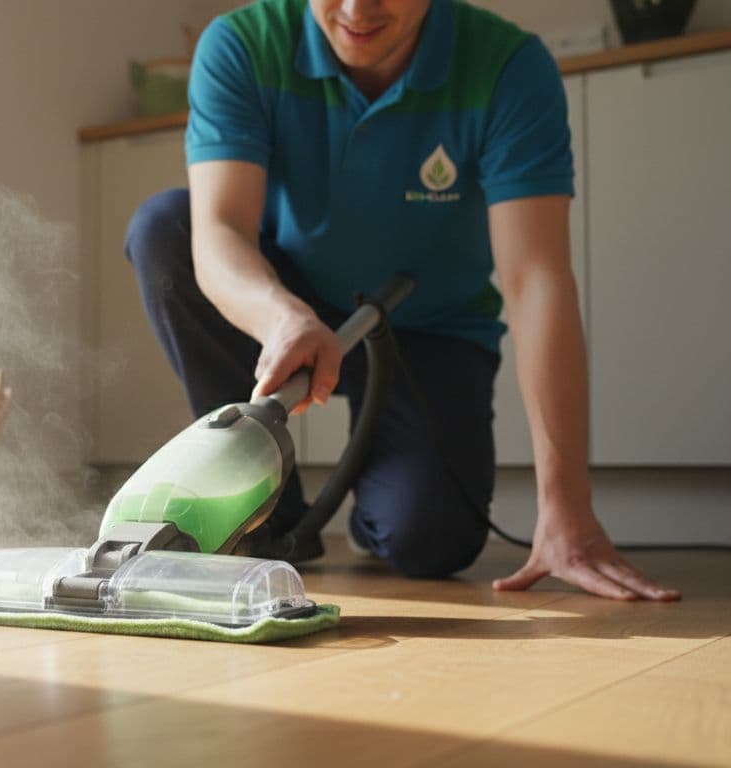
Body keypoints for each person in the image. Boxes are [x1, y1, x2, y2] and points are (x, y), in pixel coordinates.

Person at [124, 0, 679, 600]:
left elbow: (536, 281)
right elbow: (220, 232)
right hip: (291, 305)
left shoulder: (508, 66)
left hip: (428, 329)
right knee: (165, 228)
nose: (359, 9)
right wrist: (283, 317)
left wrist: (566, 505)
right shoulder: (241, 45)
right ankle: (266, 510)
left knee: (431, 541)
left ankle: (385, 494)